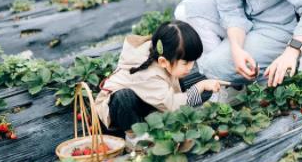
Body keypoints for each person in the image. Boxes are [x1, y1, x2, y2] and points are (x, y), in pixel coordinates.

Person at [95, 20, 223, 135]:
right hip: (116, 115)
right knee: (124, 97)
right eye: (185, 63)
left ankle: (153, 124)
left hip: (148, 99)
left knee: (178, 78)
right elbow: (172, 105)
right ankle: (135, 137)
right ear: (162, 61)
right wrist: (200, 86)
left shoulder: (165, 55)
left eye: (192, 62)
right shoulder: (148, 75)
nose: (190, 67)